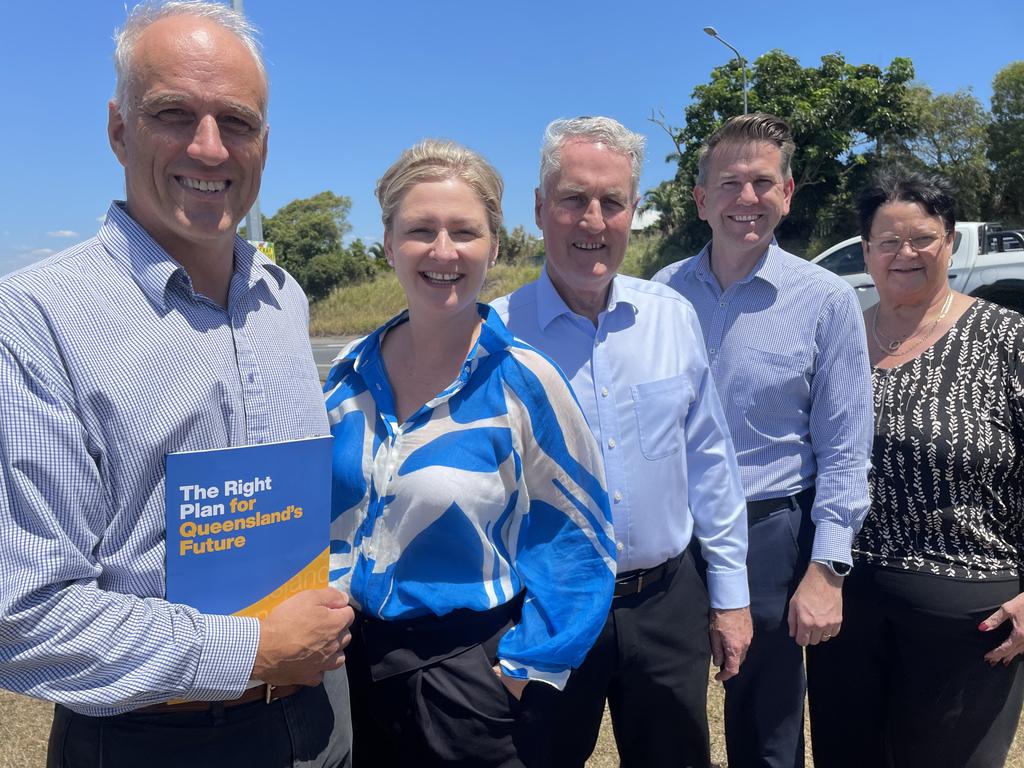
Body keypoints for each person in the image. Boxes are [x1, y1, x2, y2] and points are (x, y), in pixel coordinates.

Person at [0, 3, 354, 767]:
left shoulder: (283, 299)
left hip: (320, 718)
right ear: (119, 129)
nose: (208, 146)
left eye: (237, 120)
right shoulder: (34, 321)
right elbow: (23, 618)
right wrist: (253, 650)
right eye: (173, 114)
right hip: (153, 738)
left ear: (263, 141)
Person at [323, 139, 615, 768]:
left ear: (496, 247)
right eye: (420, 230)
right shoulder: (345, 377)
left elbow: (581, 539)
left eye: (464, 231)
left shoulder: (523, 380)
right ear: (388, 243)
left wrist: (524, 666)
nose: (443, 251)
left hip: (463, 680)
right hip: (340, 669)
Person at [492, 116, 752, 768]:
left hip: (666, 608)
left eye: (613, 203)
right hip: (542, 608)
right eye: (575, 199)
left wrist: (731, 598)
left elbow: (711, 465)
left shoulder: (672, 319)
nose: (593, 221)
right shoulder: (493, 335)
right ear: (540, 208)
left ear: (634, 211)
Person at [653, 113, 873, 768]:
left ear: (788, 192)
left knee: (767, 726)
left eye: (762, 182)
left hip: (769, 536)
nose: (746, 199)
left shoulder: (826, 301)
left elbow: (845, 445)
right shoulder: (659, 295)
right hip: (671, 539)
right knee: (664, 712)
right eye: (728, 183)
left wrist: (827, 567)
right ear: (700, 199)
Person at [807, 169, 1024, 768]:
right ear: (867, 251)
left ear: (950, 241)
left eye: (923, 238)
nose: (906, 254)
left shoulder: (1006, 339)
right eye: (888, 241)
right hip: (843, 613)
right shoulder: (839, 340)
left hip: (972, 620)